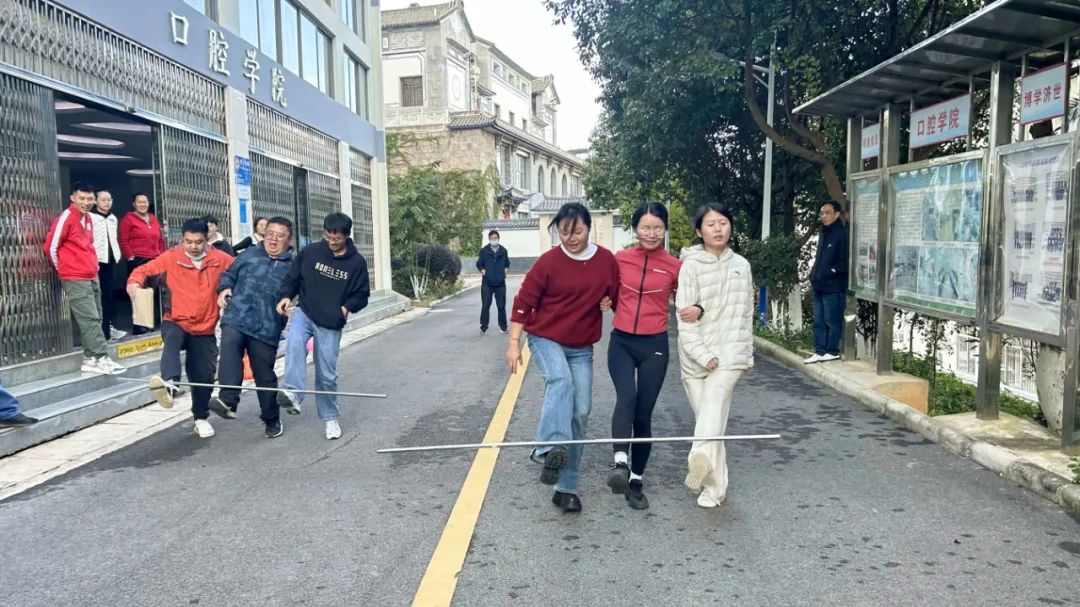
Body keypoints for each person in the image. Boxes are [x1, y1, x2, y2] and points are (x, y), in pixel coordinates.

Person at [506, 203, 619, 514]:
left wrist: (608, 301)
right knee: (560, 381)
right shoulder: (548, 262)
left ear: (589, 228)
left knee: (580, 411)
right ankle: (548, 449)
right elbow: (523, 303)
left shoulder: (606, 261)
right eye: (564, 232)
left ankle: (565, 488)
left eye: (577, 231)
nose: (571, 238)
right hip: (545, 337)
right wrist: (514, 343)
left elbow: (617, 296)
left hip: (581, 344)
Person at [599, 202, 681, 510]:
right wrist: (604, 301)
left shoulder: (674, 266)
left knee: (643, 414)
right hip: (622, 342)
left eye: (657, 227)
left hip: (654, 345)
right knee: (626, 397)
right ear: (635, 229)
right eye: (645, 227)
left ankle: (636, 480)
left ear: (665, 229)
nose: (651, 233)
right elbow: (603, 290)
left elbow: (691, 297)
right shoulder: (619, 260)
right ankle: (620, 463)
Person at [675, 204, 754, 509]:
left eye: (723, 222)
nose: (718, 229)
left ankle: (699, 456)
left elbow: (746, 314)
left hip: (730, 354)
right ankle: (715, 489)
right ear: (699, 231)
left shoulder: (742, 265)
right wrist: (702, 354)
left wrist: (742, 353)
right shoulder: (690, 266)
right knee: (710, 421)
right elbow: (685, 318)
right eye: (710, 224)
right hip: (694, 357)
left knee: (712, 407)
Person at [127, 218, 234, 439]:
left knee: (203, 375)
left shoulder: (220, 259)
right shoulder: (171, 257)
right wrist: (134, 283)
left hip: (205, 327)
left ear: (207, 239)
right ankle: (169, 384)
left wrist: (229, 289)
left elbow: (240, 272)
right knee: (172, 340)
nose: (193, 247)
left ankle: (200, 418)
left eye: (198, 242)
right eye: (188, 241)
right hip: (176, 319)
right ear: (182, 239)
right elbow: (144, 270)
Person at [276, 212, 370, 440]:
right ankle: (293, 394)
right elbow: (293, 278)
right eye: (328, 236)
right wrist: (286, 296)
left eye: (337, 238)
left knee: (326, 375)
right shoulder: (311, 252)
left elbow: (362, 294)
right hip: (305, 312)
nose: (332, 241)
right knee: (294, 343)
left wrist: (345, 308)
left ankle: (330, 418)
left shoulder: (356, 263)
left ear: (346, 236)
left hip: (330, 322)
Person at [211, 217, 296, 439]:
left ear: (289, 240)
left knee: (264, 375)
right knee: (229, 349)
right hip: (237, 316)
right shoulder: (248, 254)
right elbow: (228, 274)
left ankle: (271, 418)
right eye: (270, 234)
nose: (273, 240)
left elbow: (302, 290)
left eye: (280, 236)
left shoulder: (293, 266)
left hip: (267, 326)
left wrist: (289, 300)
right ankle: (228, 400)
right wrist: (225, 288)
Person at [43, 182, 126, 376]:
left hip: (91, 274)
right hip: (75, 277)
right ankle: (101, 357)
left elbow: (89, 245)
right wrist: (64, 269)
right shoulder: (67, 217)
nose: (86, 202)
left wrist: (94, 267)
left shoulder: (88, 218)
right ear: (72, 198)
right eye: (82, 198)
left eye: (90, 199)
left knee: (97, 316)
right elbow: (51, 247)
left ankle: (91, 358)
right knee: (89, 319)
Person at [806, 200, 848, 364]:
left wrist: (830, 272)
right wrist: (814, 274)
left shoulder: (841, 234)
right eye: (822, 213)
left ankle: (832, 350)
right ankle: (820, 350)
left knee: (832, 320)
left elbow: (844, 261)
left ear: (837, 214)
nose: (824, 216)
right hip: (819, 285)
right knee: (818, 320)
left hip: (833, 286)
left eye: (827, 213)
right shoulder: (824, 232)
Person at [119, 192, 167, 334]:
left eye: (145, 202)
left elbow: (160, 240)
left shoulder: (153, 218)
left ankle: (151, 323)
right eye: (139, 202)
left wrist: (162, 257)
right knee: (139, 294)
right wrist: (131, 258)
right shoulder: (128, 219)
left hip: (154, 260)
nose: (142, 204)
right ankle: (139, 327)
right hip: (138, 260)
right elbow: (123, 241)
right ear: (134, 204)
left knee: (152, 293)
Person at [89, 188, 125, 341]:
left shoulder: (113, 218)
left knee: (108, 295)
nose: (107, 202)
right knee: (96, 296)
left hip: (109, 261)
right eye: (103, 199)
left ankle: (108, 328)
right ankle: (99, 331)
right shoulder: (90, 217)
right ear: (96, 201)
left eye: (109, 199)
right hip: (95, 261)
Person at [476, 229, 510, 335]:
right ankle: (483, 327)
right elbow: (479, 264)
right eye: (492, 238)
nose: (494, 240)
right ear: (489, 239)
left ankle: (503, 327)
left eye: (495, 238)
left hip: (500, 283)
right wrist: (483, 270)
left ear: (498, 238)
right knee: (486, 305)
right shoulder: (484, 251)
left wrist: (505, 271)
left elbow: (507, 264)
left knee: (501, 306)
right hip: (487, 283)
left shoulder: (503, 251)